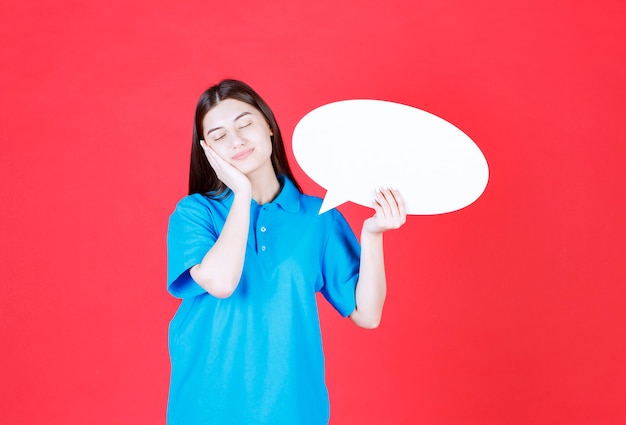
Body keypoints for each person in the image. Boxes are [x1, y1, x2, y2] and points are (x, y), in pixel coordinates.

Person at [166, 79, 406, 424]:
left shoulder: (318, 217)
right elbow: (221, 282)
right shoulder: (195, 213)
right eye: (219, 136)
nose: (236, 141)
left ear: (268, 125)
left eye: (245, 123)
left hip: (292, 407)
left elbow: (367, 315)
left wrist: (372, 236)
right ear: (208, 152)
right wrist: (242, 192)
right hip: (206, 405)